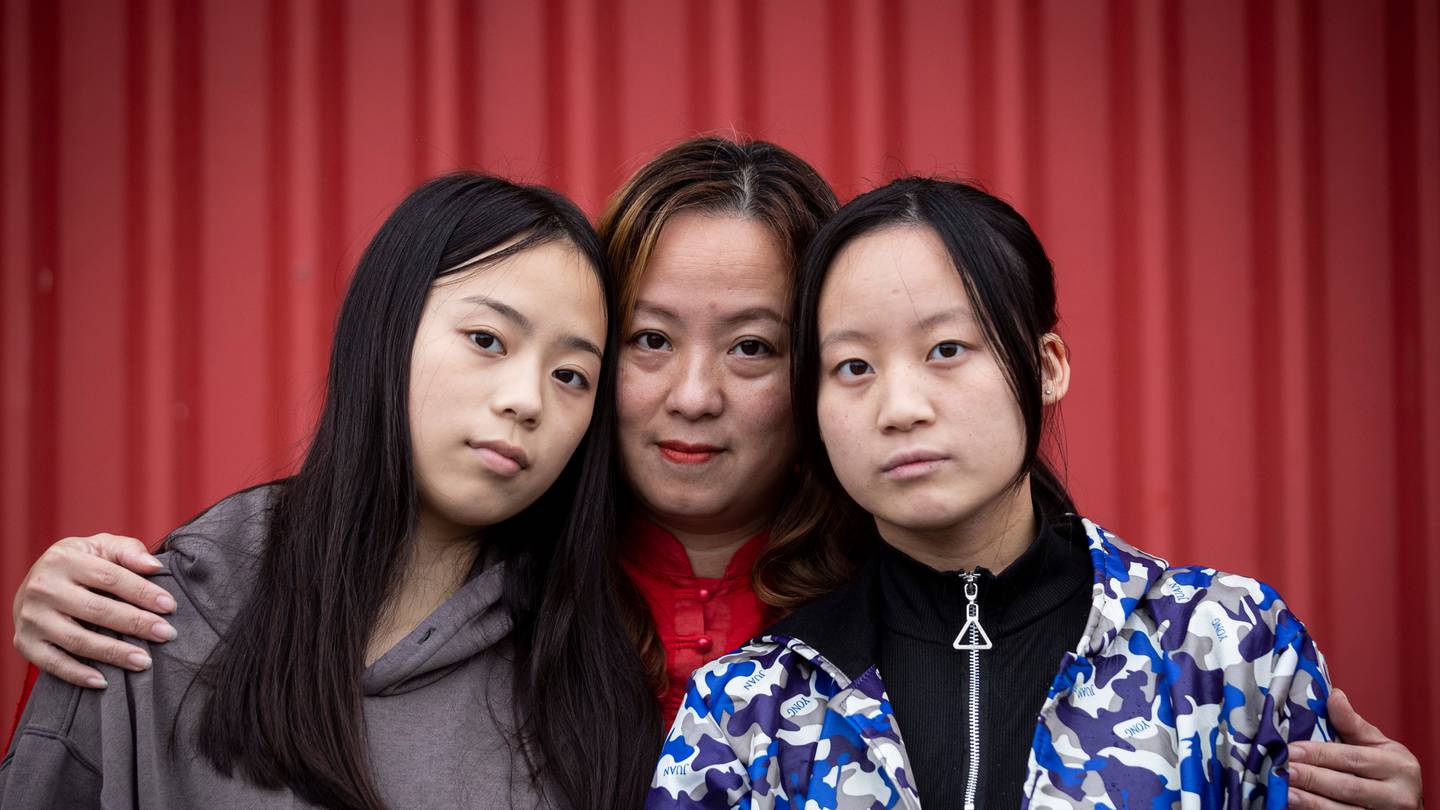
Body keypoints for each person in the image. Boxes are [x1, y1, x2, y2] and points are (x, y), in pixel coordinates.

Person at [7, 143, 1425, 807]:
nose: (692, 394)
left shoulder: (951, 602)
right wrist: (115, 590)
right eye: (638, 344)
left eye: (754, 346)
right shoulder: (492, 591)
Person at [648, 177, 1414, 808]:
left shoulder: (1226, 648)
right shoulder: (748, 708)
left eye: (947, 349)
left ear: (1046, 365)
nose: (900, 407)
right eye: (854, 367)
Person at [1, 173, 660, 809]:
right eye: (487, 340)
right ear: (385, 332)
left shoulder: (590, 702)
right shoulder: (140, 620)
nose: (526, 401)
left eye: (572, 376)